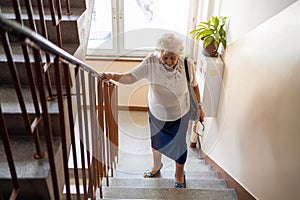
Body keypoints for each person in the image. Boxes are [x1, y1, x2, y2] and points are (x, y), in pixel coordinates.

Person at [101, 33, 205, 188]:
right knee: (157, 142)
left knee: (179, 147)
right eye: (165, 58)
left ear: (178, 55)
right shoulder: (151, 61)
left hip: (180, 115)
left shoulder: (187, 64)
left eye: (172, 58)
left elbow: (195, 86)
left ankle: (179, 174)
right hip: (157, 114)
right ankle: (156, 166)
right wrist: (112, 75)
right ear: (160, 54)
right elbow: (131, 77)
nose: (169, 62)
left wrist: (200, 107)